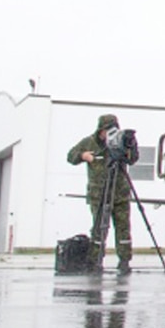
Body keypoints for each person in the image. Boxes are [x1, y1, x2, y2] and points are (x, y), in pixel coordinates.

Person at [66, 113, 133, 273]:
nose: (109, 134)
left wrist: (129, 147)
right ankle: (95, 260)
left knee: (123, 228)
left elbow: (133, 159)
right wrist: (83, 155)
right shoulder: (89, 142)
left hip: (120, 193)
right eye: (106, 130)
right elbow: (70, 156)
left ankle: (124, 260)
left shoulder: (121, 142)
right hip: (99, 194)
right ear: (100, 130)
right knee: (99, 229)